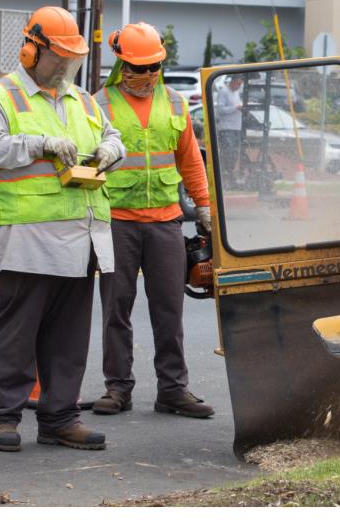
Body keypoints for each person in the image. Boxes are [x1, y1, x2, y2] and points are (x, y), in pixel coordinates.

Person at [0, 5, 124, 452]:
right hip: (23, 241)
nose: (65, 66)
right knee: (16, 335)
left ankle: (60, 417)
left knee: (68, 339)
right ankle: (2, 418)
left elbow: (112, 135)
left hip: (81, 242)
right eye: (58, 57)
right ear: (31, 50)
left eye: (72, 59)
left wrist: (108, 150)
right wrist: (39, 144)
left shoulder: (81, 99)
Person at [89, 23, 217, 419]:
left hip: (166, 222)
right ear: (121, 63)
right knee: (116, 310)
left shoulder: (176, 104)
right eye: (138, 68)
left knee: (169, 310)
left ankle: (173, 390)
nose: (146, 76)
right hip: (116, 222)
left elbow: (191, 162)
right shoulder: (97, 105)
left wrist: (205, 207)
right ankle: (118, 388)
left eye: (154, 67)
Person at [212, 74, 246, 178]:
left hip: (237, 127)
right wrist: (236, 108)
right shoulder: (224, 91)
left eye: (241, 84)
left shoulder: (236, 93)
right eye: (238, 84)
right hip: (226, 128)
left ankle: (229, 172)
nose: (239, 86)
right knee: (228, 151)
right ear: (233, 81)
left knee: (235, 152)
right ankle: (224, 172)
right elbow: (220, 109)